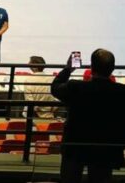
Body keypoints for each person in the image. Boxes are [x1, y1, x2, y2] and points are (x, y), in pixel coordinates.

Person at [52, 49, 125, 183]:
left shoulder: (76, 87)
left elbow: (55, 88)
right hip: (106, 148)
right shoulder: (121, 92)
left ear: (92, 67)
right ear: (112, 68)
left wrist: (68, 69)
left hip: (75, 146)